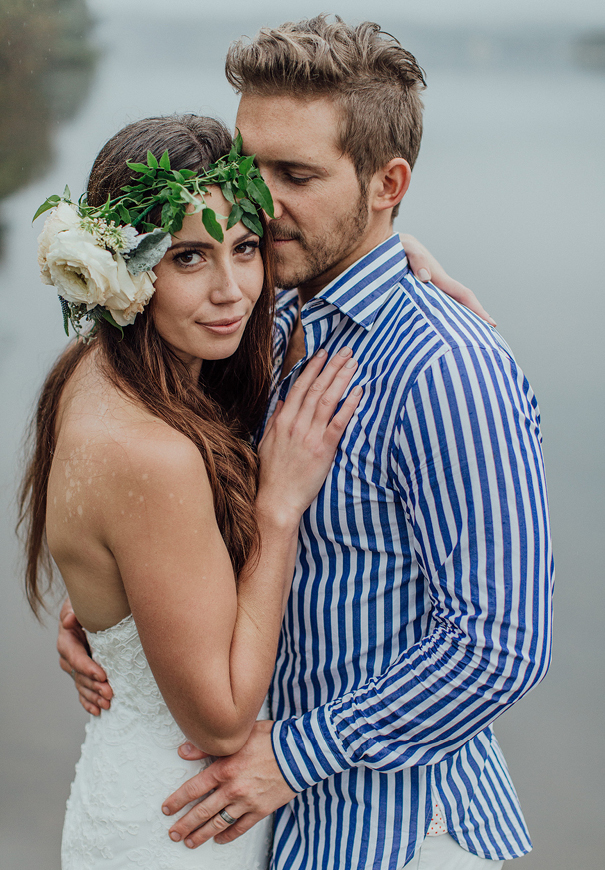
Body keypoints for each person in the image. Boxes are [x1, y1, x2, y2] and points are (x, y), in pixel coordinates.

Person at [59, 15, 553, 870]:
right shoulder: (256, 312)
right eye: (249, 167)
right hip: (260, 827)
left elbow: (498, 646)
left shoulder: (446, 368)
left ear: (387, 183)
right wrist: (122, 617)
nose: (259, 201)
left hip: (392, 834)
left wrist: (293, 755)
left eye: (295, 175)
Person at [20, 113, 363, 870]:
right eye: (187, 257)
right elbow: (222, 721)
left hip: (147, 801)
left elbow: (123, 555)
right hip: (183, 826)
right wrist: (278, 509)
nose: (231, 291)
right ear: (126, 269)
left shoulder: (89, 369)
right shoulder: (155, 455)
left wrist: (401, 260)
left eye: (245, 247)